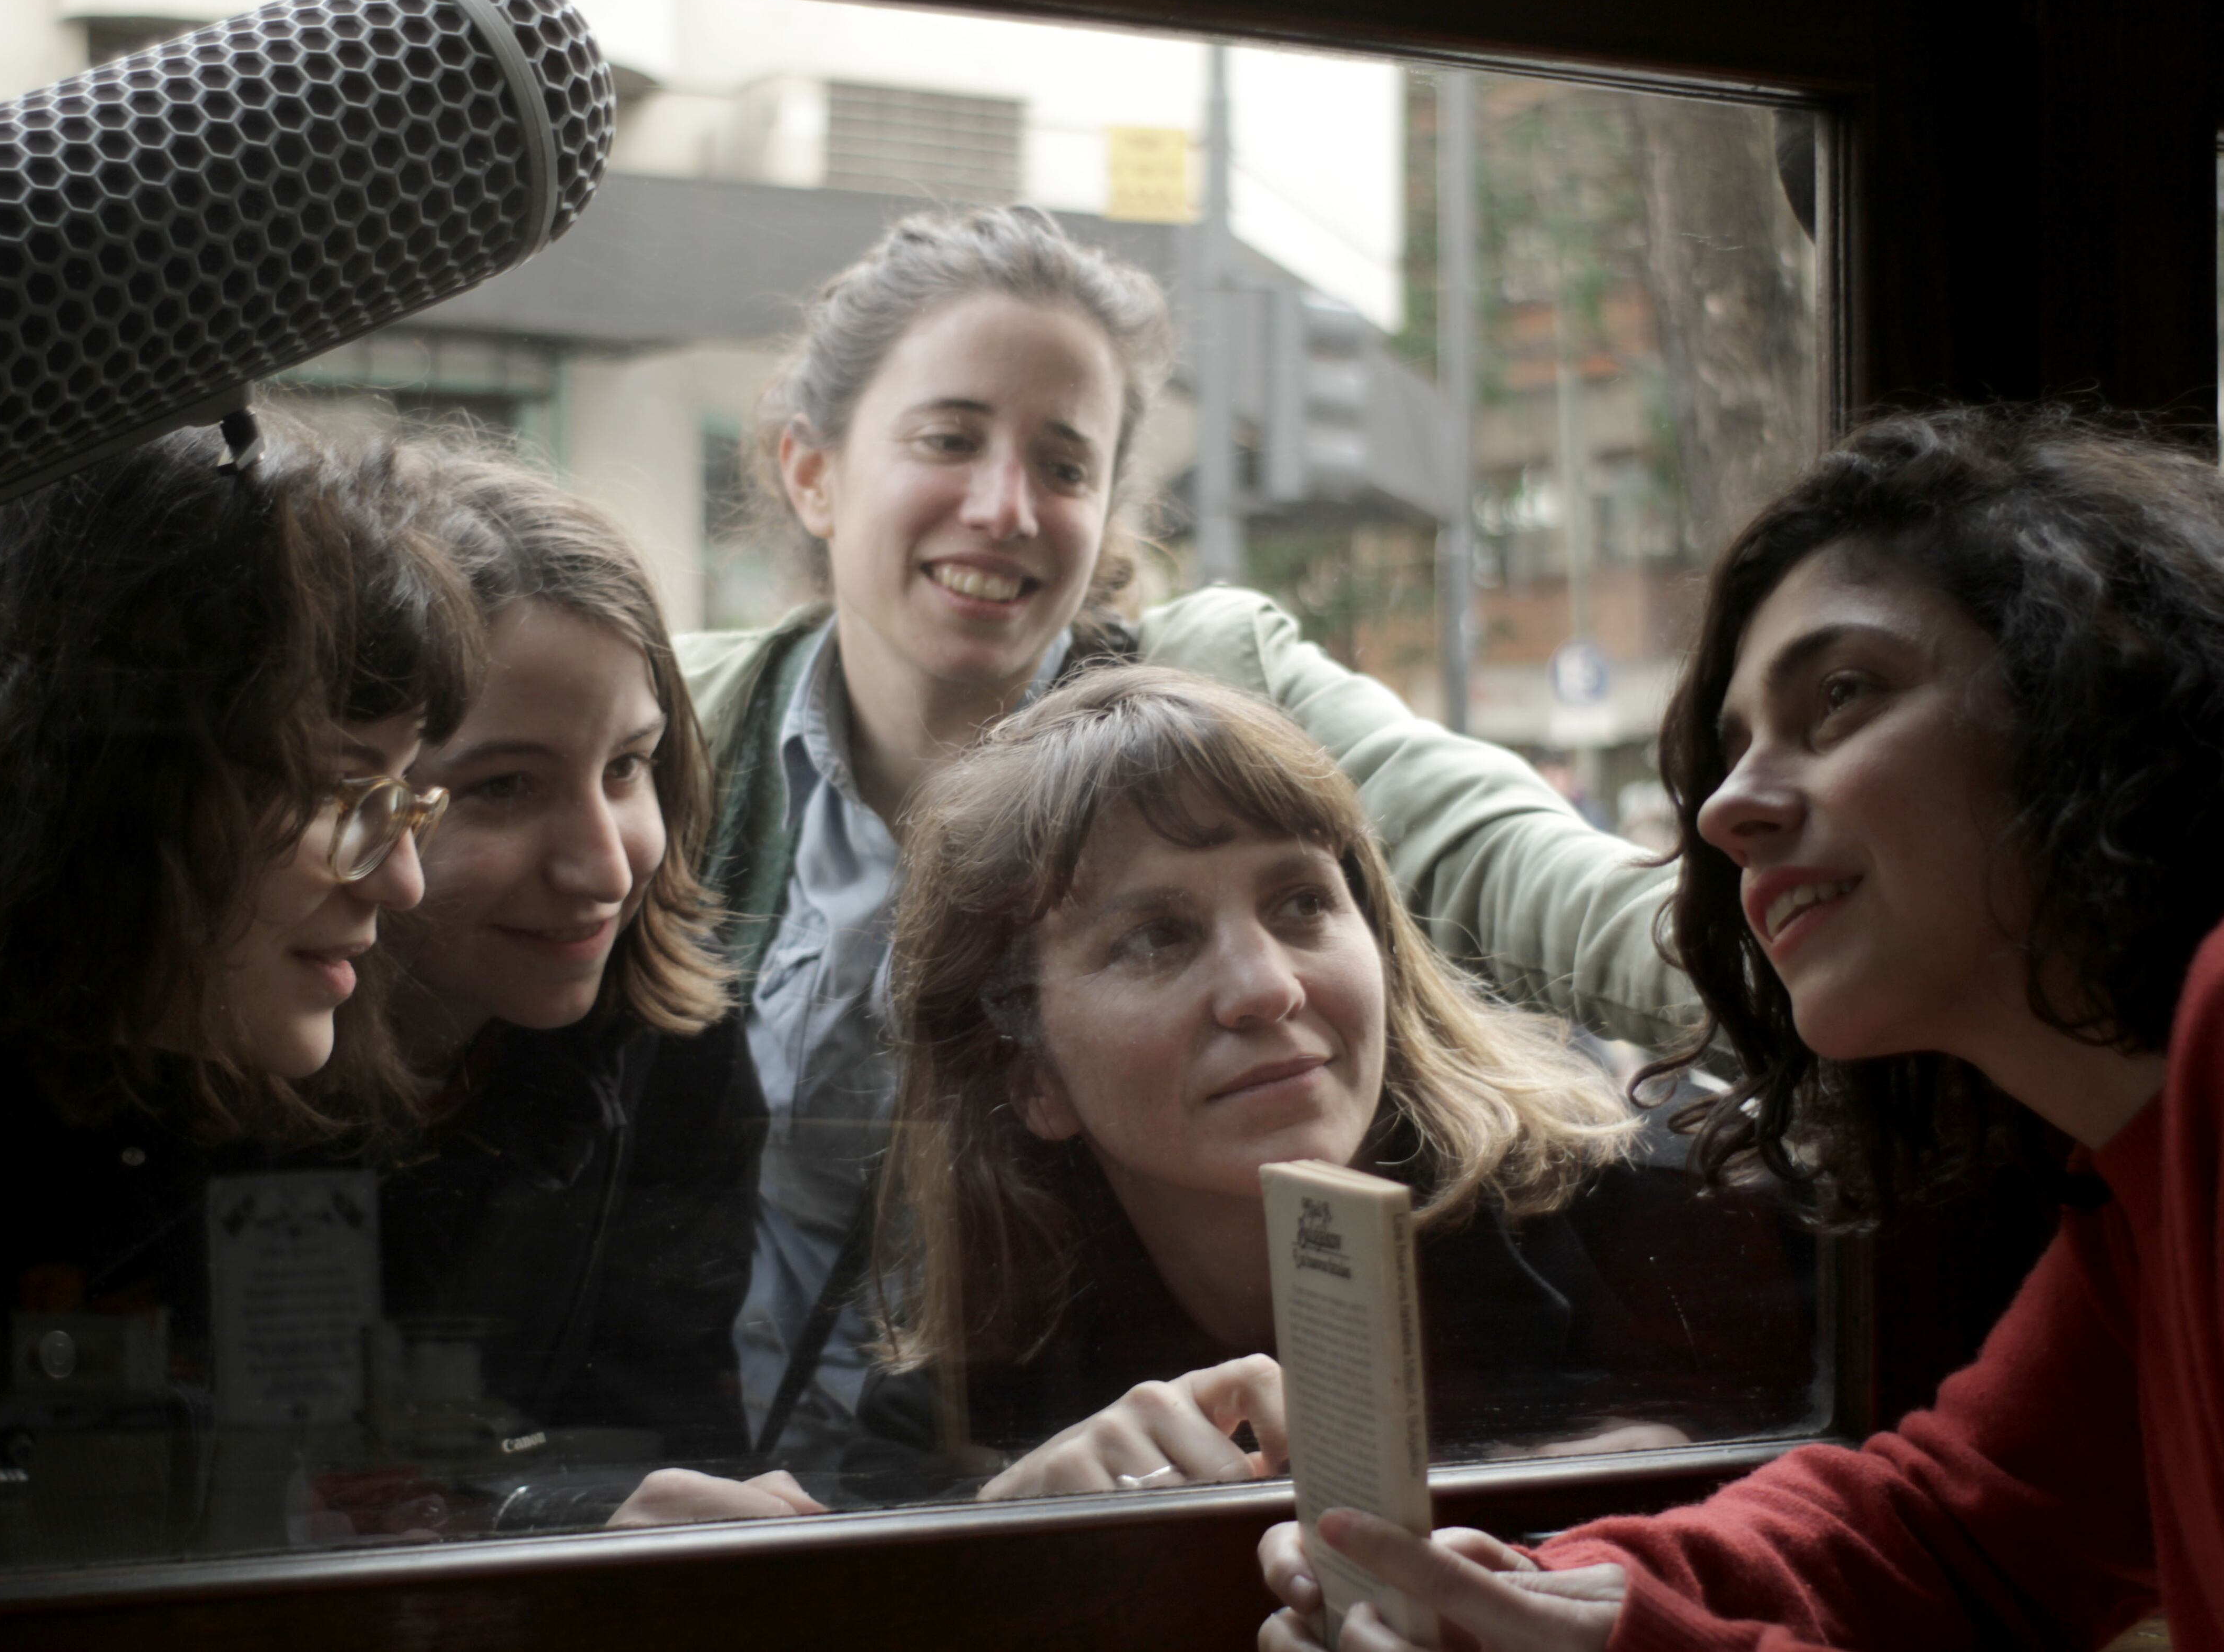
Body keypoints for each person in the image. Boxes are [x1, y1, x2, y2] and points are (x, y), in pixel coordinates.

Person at [1254, 404, 2224, 1652]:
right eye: (1730, 751)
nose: (1726, 809)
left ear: (2096, 688)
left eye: (1839, 696)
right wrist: (1550, 1590)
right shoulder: (2143, 1177)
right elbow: (1954, 1524)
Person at [678, 205, 1696, 1477]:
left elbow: (1541, 879)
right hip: (771, 1480)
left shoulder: (1213, 686)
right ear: (811, 470)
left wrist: (1854, 978)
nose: (1004, 505)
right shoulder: (671, 730)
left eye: (1064, 464)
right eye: (947, 438)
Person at [844, 668, 1813, 1504]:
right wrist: (1020, 1552)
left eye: (1303, 901)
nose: (1268, 986)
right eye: (1154, 938)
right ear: (1030, 1074)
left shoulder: (1675, 1227)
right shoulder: (951, 1425)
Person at [0, 412, 480, 1430]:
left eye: (406, 791)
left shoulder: (142, 1060)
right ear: (100, 779)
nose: (405, 881)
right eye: (339, 790)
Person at [360, 451, 809, 1528]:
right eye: (504, 787)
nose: (607, 866)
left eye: (628, 767)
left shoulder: (673, 1040)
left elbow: (670, 1432)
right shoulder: (199, 1052)